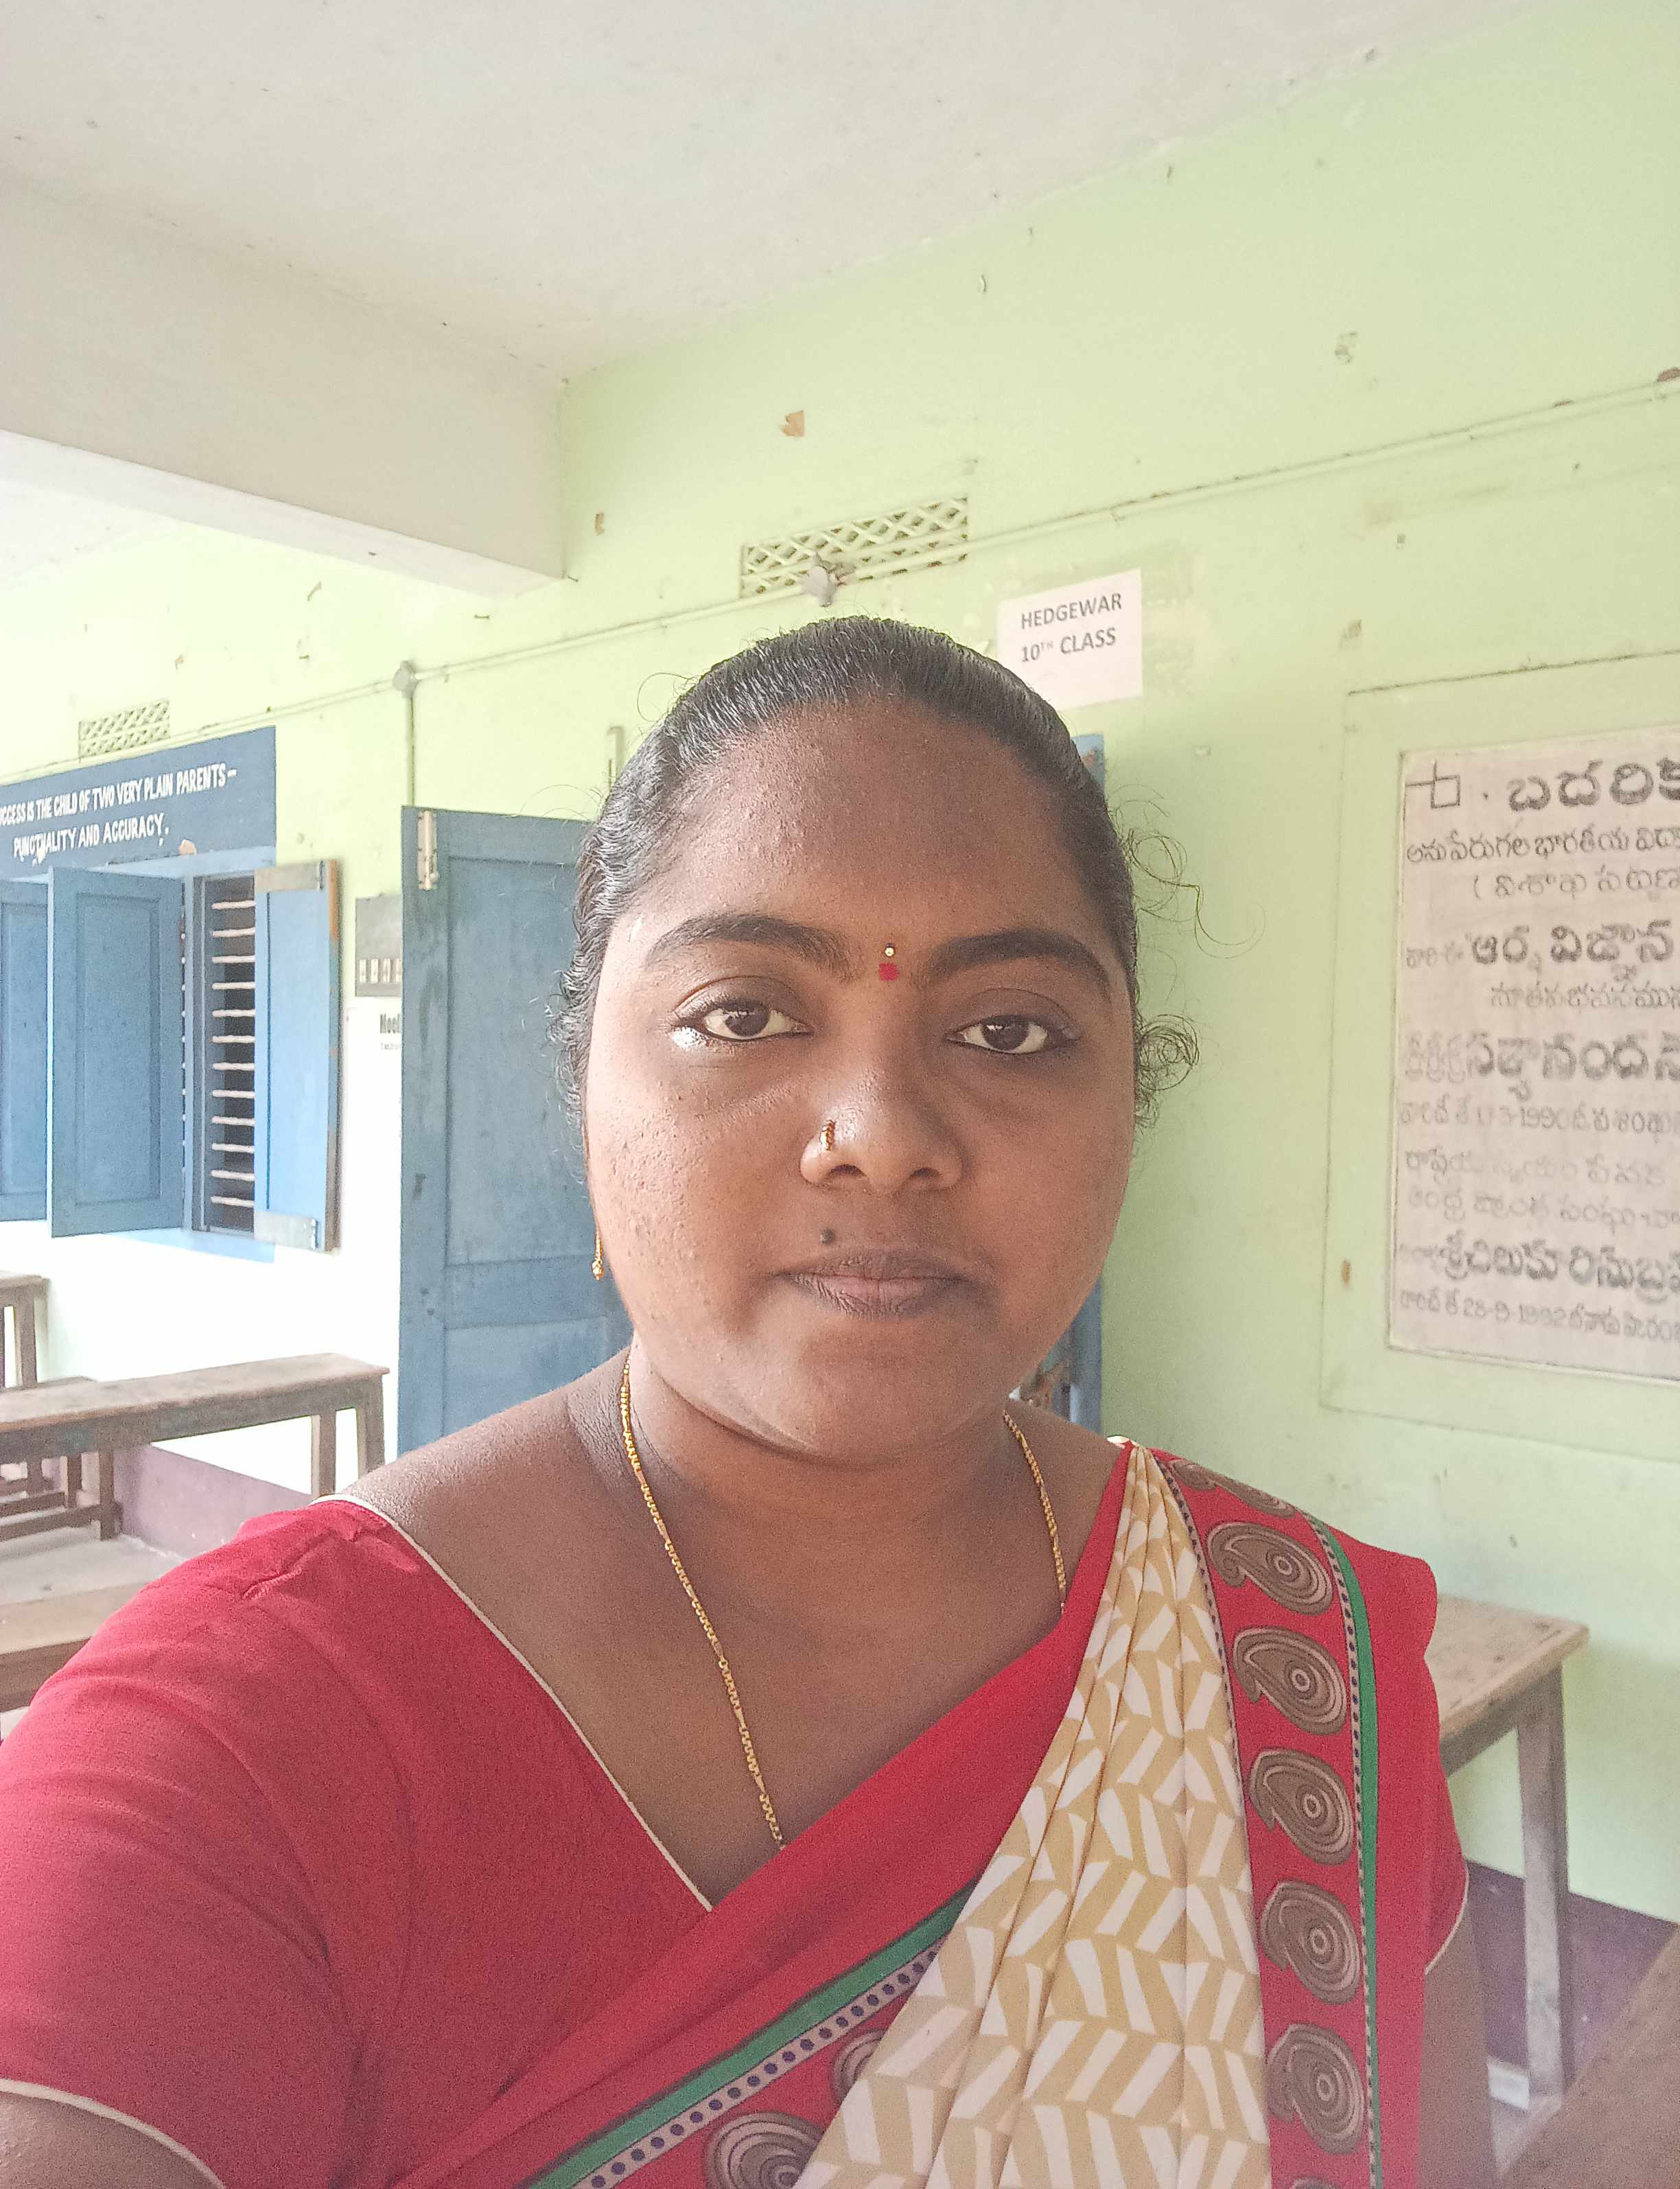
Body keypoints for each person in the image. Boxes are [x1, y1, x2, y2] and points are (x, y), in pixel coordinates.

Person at [0, 618, 1495, 2189]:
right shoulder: (241, 1751)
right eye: (744, 1014)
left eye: (1010, 1031)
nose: (881, 1133)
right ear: (585, 1083)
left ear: (1131, 1093)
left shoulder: (1279, 1653)